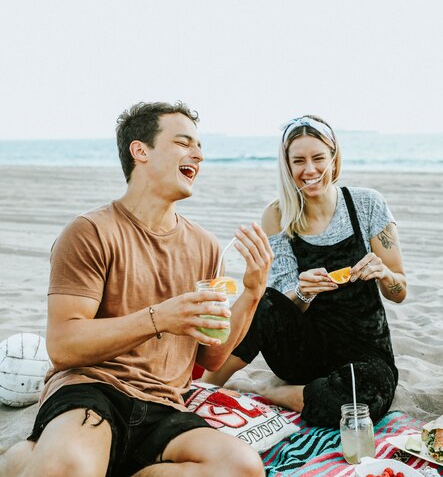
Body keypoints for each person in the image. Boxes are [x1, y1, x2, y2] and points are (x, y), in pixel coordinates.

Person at [0, 101, 274, 477]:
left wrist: (253, 292)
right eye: (183, 142)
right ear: (140, 150)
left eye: (199, 146)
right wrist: (161, 317)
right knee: (70, 469)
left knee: (242, 468)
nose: (199, 154)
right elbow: (63, 347)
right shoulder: (90, 231)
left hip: (163, 404)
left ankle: (48, 459)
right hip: (92, 389)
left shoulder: (207, 246)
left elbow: (211, 359)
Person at [204, 115, 406, 427]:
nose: (309, 170)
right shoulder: (277, 215)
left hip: (365, 352)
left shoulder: (367, 204)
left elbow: (400, 292)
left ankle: (273, 392)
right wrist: (302, 291)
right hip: (304, 351)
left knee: (367, 396)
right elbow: (283, 306)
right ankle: (206, 385)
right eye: (298, 161)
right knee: (265, 300)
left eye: (318, 158)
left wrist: (384, 274)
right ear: (287, 166)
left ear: (334, 158)